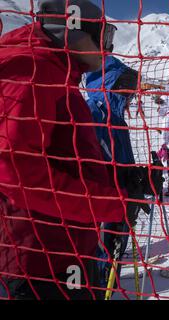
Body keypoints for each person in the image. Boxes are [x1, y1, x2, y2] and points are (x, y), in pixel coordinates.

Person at [0, 0, 138, 300]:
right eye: (102, 38)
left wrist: (122, 181)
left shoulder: (58, 75)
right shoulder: (34, 71)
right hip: (41, 261)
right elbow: (16, 171)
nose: (107, 49)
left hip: (65, 248)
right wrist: (110, 203)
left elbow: (66, 156)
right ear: (72, 32)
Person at [85, 56, 163, 290]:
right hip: (100, 211)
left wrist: (141, 180)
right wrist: (123, 188)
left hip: (119, 207)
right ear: (109, 85)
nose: (130, 95)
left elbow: (121, 163)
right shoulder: (93, 115)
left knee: (112, 263)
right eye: (125, 86)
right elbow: (91, 167)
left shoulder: (117, 119)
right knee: (98, 267)